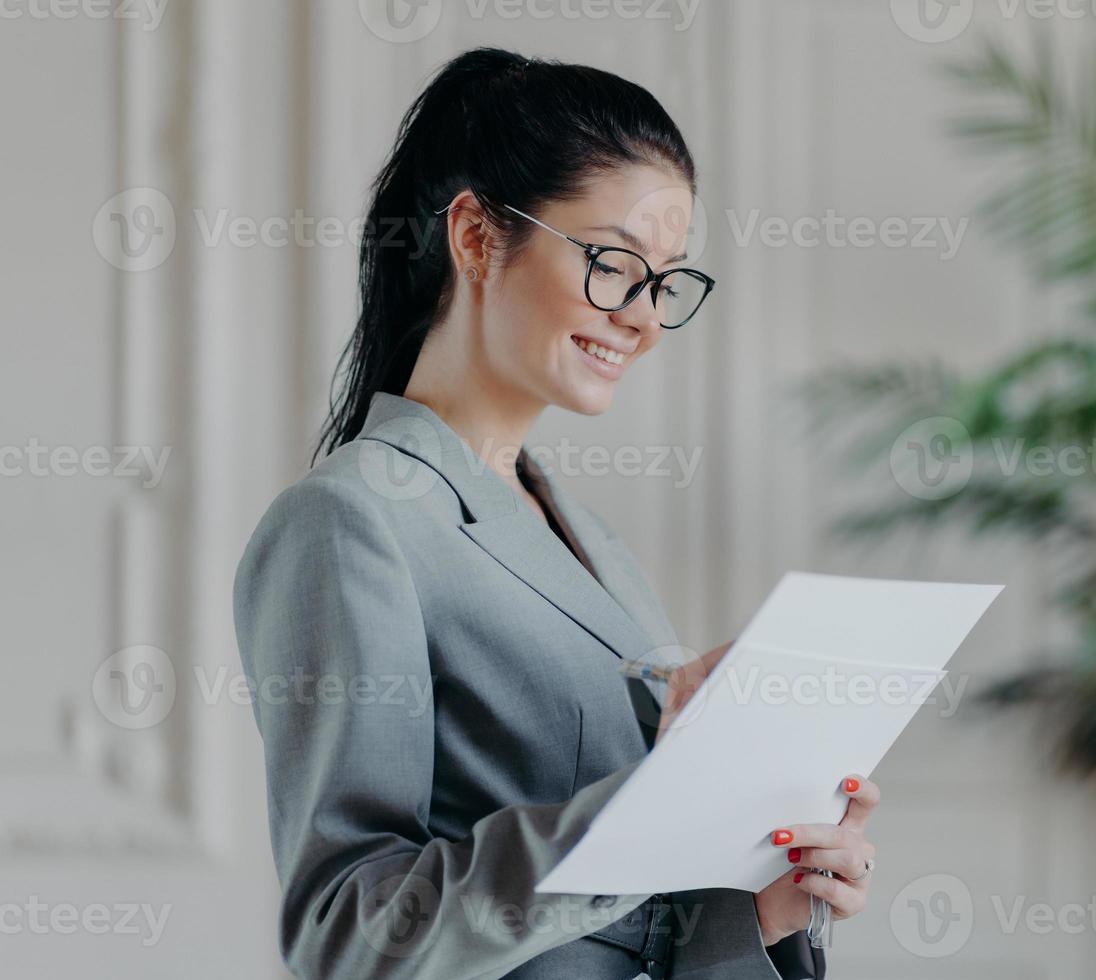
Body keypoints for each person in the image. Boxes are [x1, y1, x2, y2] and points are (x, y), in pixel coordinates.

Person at [232, 47, 878, 979]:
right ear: (477, 237)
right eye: (616, 264)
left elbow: (641, 929)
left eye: (665, 282)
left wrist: (763, 911)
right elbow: (347, 936)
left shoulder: (591, 542)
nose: (644, 318)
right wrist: (659, 806)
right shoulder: (349, 523)